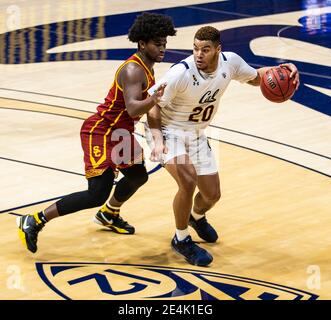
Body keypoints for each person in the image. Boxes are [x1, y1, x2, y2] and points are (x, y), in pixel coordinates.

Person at [17, 12, 177, 253]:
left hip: (121, 132)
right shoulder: (133, 70)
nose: (162, 47)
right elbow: (134, 107)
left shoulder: (148, 68)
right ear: (143, 43)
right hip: (102, 131)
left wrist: (158, 135)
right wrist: (155, 99)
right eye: (158, 43)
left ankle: (109, 215)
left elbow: (144, 110)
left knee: (137, 176)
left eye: (165, 43)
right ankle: (35, 220)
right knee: (96, 194)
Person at [146, 26, 299, 266]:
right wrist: (156, 138)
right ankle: (181, 238)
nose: (198, 54)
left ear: (218, 49)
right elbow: (152, 104)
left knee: (212, 195)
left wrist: (283, 70)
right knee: (188, 181)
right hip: (168, 131)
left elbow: (257, 78)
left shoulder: (231, 63)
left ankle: (196, 217)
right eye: (195, 48)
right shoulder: (180, 73)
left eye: (205, 50)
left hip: (196, 133)